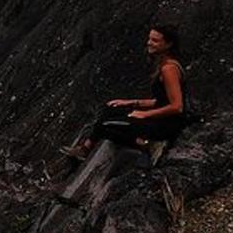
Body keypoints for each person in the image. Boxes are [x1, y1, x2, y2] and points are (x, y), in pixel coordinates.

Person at [65, 24, 188, 159]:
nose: (149, 43)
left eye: (155, 41)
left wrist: (145, 114)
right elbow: (161, 101)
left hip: (165, 125)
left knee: (107, 126)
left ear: (168, 44)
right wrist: (129, 103)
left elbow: (177, 107)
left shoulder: (169, 69)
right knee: (110, 109)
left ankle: (147, 144)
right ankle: (84, 149)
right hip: (159, 118)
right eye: (149, 39)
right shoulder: (164, 65)